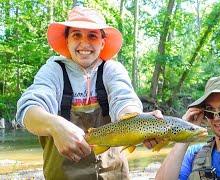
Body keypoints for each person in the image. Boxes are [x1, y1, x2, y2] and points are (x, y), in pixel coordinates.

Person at [16, 6, 161, 180]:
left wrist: (137, 120)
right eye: (76, 34)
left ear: (102, 43)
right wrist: (55, 126)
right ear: (67, 41)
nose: (84, 43)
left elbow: (124, 100)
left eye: (92, 35)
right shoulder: (52, 71)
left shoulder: (112, 70)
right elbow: (29, 111)